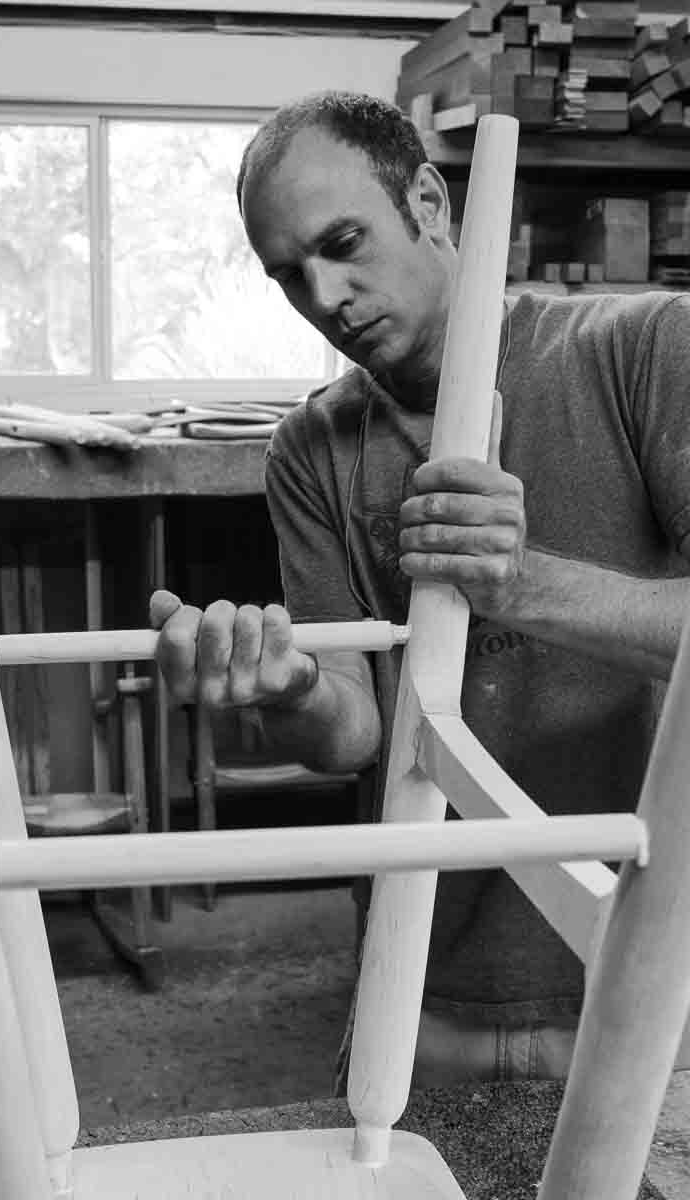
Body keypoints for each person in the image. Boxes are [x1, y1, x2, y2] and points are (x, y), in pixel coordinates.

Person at [150, 90, 690, 1087]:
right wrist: (288, 690)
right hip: (422, 982)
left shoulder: (643, 349)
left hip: (647, 977)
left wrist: (519, 584)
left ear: (430, 204)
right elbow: (351, 730)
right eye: (288, 276)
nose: (325, 296)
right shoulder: (313, 447)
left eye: (343, 242)